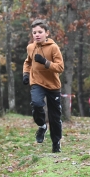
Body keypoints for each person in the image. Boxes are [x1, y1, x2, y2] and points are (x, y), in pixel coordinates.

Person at [22, 19, 64, 153]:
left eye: (40, 32)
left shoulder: (53, 47)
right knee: (36, 103)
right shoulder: (30, 47)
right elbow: (27, 62)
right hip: (37, 82)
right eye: (34, 32)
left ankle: (56, 143)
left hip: (53, 85)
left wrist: (45, 62)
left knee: (54, 117)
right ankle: (41, 126)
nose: (37, 35)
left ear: (47, 33)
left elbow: (60, 67)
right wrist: (26, 74)